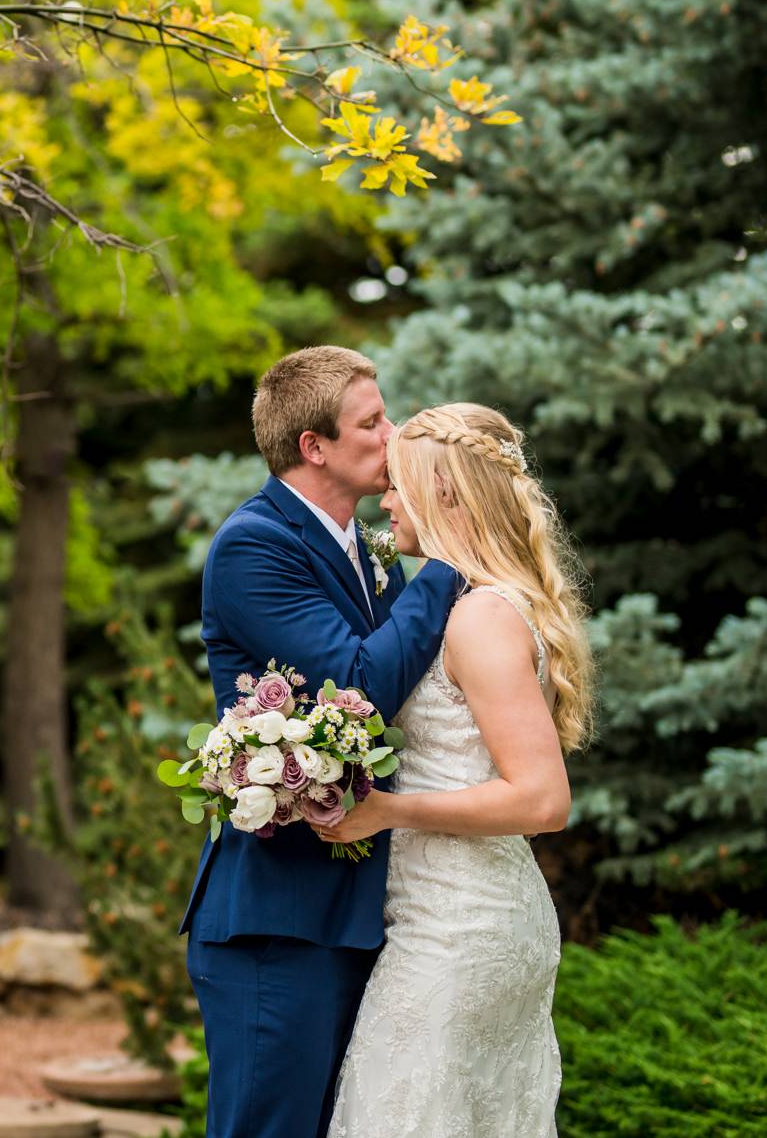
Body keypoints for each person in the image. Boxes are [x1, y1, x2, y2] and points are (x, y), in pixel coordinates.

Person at [180, 346, 462, 1138]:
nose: (392, 433)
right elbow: (361, 686)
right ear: (315, 447)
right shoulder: (254, 545)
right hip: (279, 919)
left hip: (358, 908)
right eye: (371, 422)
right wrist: (446, 560)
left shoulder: (366, 553)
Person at [319, 402, 596, 1138]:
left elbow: (542, 798)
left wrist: (387, 810)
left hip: (460, 932)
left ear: (445, 493)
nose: (385, 500)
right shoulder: (479, 608)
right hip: (458, 916)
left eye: (399, 485)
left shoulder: (481, 618)